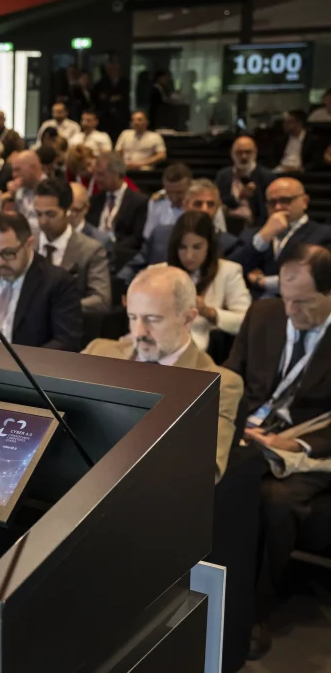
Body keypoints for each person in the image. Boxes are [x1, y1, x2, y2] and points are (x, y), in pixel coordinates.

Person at [224, 245, 331, 660]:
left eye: (302, 302)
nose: (290, 311)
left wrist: (296, 443)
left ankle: (252, 612)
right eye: (285, 298)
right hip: (250, 433)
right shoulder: (263, 314)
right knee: (214, 477)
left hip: (307, 448)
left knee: (274, 500)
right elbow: (231, 378)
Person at [84, 265, 242, 481]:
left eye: (153, 319)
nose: (139, 332)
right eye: (133, 317)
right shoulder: (98, 351)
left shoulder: (218, 385)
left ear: (188, 319)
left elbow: (201, 475)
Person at [0, 212, 82, 350]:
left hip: (25, 362)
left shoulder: (57, 282)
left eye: (8, 253)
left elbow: (67, 341)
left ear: (29, 244)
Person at [164, 211, 252, 352]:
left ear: (209, 245)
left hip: (205, 351)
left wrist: (208, 312)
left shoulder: (228, 271)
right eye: (182, 247)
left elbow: (246, 321)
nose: (189, 255)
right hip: (162, 347)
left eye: (197, 247)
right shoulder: (159, 272)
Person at [231, 177, 331, 297]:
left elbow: (320, 278)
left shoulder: (324, 234)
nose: (278, 207)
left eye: (285, 200)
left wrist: (264, 282)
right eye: (272, 202)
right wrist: (263, 238)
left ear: (305, 201)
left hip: (301, 304)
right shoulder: (253, 235)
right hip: (254, 304)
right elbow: (230, 271)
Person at [119, 179, 226, 285]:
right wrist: (120, 285)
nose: (205, 209)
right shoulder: (160, 234)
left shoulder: (228, 244)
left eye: (210, 205)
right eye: (198, 204)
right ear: (185, 205)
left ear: (217, 208)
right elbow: (134, 267)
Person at [34, 178, 111, 315]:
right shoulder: (27, 243)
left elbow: (101, 300)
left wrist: (59, 307)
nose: (43, 221)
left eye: (51, 214)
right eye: (39, 214)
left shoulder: (90, 250)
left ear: (68, 211)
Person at [86, 151, 149, 262]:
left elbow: (136, 238)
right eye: (95, 174)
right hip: (92, 253)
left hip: (120, 258)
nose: (96, 178)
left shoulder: (139, 202)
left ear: (115, 174)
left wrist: (110, 249)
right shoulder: (95, 200)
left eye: (101, 174)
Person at [216, 136, 276, 231]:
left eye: (248, 152)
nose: (244, 156)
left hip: (256, 226)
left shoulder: (267, 176)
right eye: (239, 153)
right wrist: (239, 197)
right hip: (228, 225)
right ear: (232, 154)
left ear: (255, 153)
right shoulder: (223, 176)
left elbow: (268, 208)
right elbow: (220, 203)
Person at [144, 163, 192, 239]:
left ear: (190, 186)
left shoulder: (201, 202)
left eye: (179, 192)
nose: (174, 198)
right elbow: (149, 235)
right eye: (169, 192)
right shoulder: (157, 202)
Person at [8, 150, 48, 237]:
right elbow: (10, 221)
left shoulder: (51, 190)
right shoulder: (19, 191)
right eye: (13, 171)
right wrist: (11, 196)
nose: (14, 175)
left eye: (18, 170)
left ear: (33, 168)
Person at [92, 61, 132, 143]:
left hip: (121, 116)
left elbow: (125, 97)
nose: (112, 70)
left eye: (114, 68)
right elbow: (98, 99)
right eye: (110, 69)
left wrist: (110, 98)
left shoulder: (125, 82)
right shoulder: (101, 83)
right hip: (106, 117)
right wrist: (111, 99)